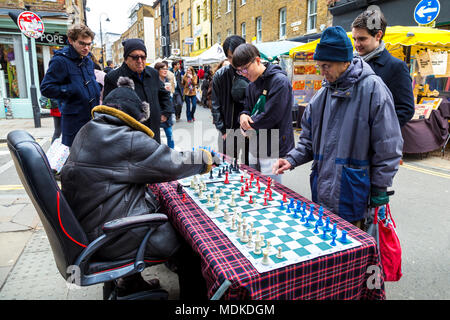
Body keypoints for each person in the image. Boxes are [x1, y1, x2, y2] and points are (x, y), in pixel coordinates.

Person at [61, 76, 218, 299]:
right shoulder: (127, 137)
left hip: (89, 224)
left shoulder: (88, 130)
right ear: (137, 116)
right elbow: (172, 163)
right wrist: (206, 159)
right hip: (112, 234)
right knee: (193, 247)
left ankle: (131, 284)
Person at [272, 26, 403, 226]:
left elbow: (388, 146)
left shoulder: (373, 89)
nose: (322, 72)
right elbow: (308, 140)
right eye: (320, 66)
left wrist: (379, 188)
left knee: (352, 249)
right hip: (323, 190)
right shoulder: (321, 96)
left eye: (327, 66)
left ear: (345, 61)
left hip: (354, 192)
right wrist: (291, 159)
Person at [233, 43, 295, 184]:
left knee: (270, 190)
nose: (244, 74)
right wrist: (242, 116)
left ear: (258, 60)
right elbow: (246, 108)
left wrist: (246, 126)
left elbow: (272, 116)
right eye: (239, 71)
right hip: (254, 141)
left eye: (245, 68)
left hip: (273, 143)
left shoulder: (279, 81)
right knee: (254, 184)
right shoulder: (251, 85)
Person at [40, 24, 100, 147]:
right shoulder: (60, 60)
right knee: (75, 161)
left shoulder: (88, 60)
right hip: (74, 122)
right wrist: (71, 90)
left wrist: (96, 87)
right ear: (71, 40)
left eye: (89, 44)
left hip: (91, 119)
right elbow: (46, 88)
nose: (86, 48)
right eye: (82, 43)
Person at [352, 9, 414, 127]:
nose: (356, 44)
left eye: (362, 39)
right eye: (354, 39)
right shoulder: (350, 63)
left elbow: (405, 110)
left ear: (378, 35)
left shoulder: (396, 67)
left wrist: (373, 131)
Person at [103, 38, 172, 144]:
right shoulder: (113, 77)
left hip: (153, 131)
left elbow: (164, 94)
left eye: (143, 57)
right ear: (126, 59)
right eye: (135, 57)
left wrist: (165, 113)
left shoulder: (153, 73)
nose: (140, 61)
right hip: (129, 136)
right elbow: (108, 110)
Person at [211, 36, 250, 166]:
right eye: (230, 57)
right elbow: (215, 105)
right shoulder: (220, 75)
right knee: (226, 167)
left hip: (249, 129)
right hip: (228, 130)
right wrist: (222, 129)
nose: (234, 61)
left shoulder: (253, 72)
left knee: (249, 168)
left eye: (236, 55)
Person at [154, 62, 175, 149]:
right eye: (163, 69)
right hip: (158, 110)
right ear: (158, 70)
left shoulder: (167, 81)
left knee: (169, 133)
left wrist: (169, 92)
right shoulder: (154, 82)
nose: (165, 71)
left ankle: (172, 151)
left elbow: (170, 97)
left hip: (167, 110)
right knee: (156, 134)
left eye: (166, 69)